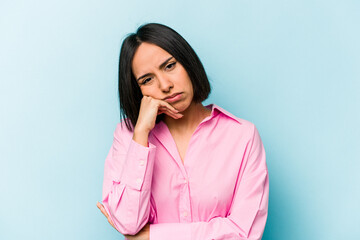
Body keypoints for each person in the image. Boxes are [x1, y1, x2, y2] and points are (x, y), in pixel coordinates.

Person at [96, 23, 269, 240]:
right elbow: (127, 223)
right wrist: (141, 133)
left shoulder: (243, 136)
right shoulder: (128, 136)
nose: (165, 85)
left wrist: (153, 236)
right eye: (147, 80)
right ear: (137, 90)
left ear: (187, 63)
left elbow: (244, 233)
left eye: (169, 66)